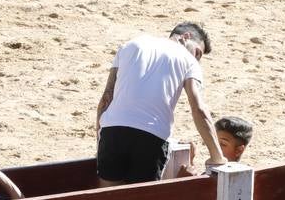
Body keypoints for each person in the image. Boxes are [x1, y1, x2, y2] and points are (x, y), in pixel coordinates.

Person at [95, 22, 227, 187]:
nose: (197, 59)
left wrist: (100, 139)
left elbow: (107, 97)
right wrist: (217, 157)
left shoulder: (130, 45)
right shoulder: (188, 60)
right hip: (151, 136)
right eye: (198, 53)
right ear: (186, 37)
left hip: (112, 130)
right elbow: (198, 108)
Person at [178, 115, 254, 176]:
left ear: (238, 150)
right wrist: (190, 161)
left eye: (222, 144)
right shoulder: (213, 171)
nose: (214, 146)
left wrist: (184, 179)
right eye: (213, 141)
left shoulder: (231, 177)